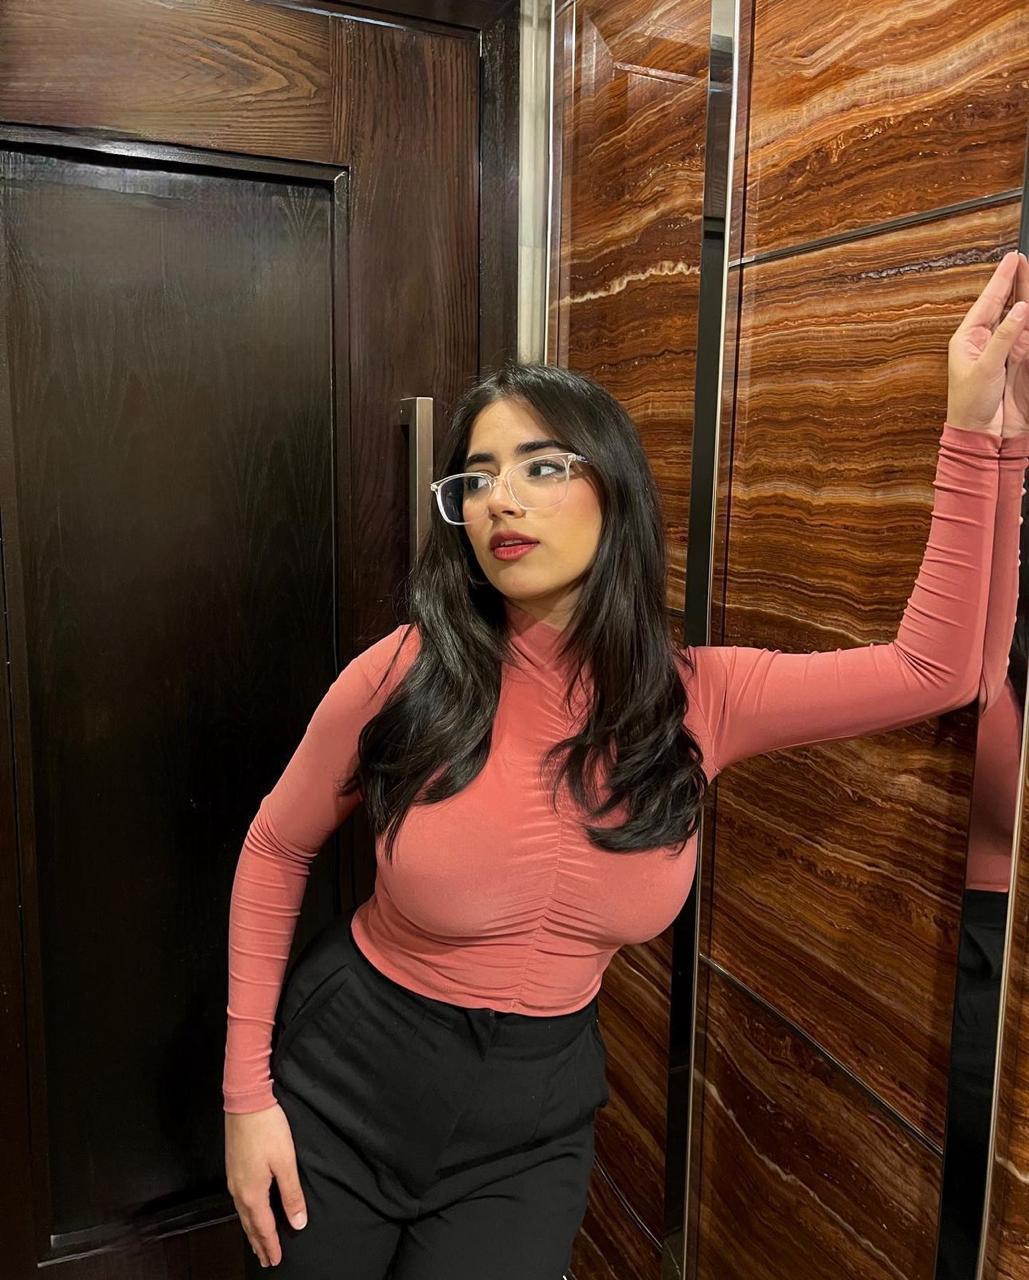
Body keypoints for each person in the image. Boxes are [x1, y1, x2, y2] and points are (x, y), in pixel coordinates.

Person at [224, 251, 1029, 1277]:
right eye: (477, 477)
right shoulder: (403, 673)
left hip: (530, 1124)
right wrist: (245, 1097)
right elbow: (275, 844)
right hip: (346, 1080)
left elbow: (944, 670)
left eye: (541, 466)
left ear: (616, 491)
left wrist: (986, 432)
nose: (500, 499)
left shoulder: (700, 697)